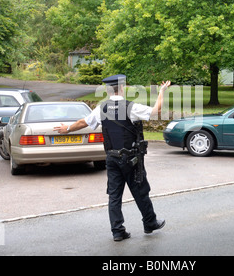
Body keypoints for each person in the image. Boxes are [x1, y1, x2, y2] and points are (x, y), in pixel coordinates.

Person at [54, 75, 171, 241]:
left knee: (114, 195)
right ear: (122, 88)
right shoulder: (131, 107)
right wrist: (162, 91)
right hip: (131, 159)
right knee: (140, 190)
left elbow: (83, 122)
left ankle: (117, 231)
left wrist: (66, 129)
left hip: (111, 158)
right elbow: (157, 110)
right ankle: (150, 222)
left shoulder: (101, 108)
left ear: (108, 90)